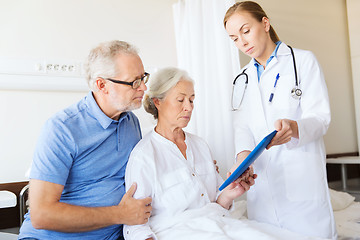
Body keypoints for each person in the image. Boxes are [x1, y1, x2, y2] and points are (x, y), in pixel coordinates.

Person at [122, 67, 321, 240]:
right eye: (181, 100)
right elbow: (135, 228)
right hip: (177, 232)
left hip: (217, 224)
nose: (189, 107)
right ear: (157, 102)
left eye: (192, 100)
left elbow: (218, 202)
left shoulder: (199, 145)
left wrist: (231, 193)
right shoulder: (144, 156)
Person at [223, 1, 336, 239]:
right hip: (262, 187)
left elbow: (320, 118)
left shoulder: (303, 61)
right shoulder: (241, 78)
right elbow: (241, 125)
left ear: (265, 24)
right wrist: (243, 155)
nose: (242, 42)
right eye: (234, 38)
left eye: (245, 31)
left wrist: (295, 128)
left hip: (301, 179)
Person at [18, 40, 153, 240]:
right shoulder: (62, 129)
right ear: (102, 85)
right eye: (134, 82)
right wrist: (121, 214)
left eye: (143, 78)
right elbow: (41, 215)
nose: (143, 88)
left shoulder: (130, 122)